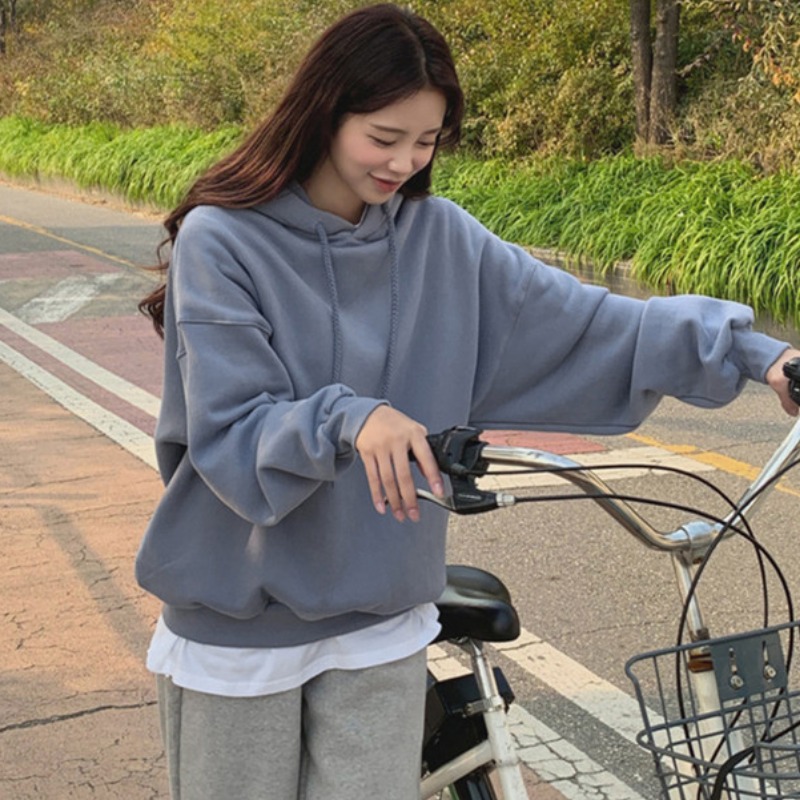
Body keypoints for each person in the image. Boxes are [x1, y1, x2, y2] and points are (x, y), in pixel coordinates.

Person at [135, 4, 800, 799]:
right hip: (238, 625)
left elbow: (594, 322)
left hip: (380, 617)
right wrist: (351, 417)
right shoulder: (224, 239)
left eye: (427, 141)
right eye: (384, 137)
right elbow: (231, 427)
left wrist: (760, 355)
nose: (405, 163)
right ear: (323, 112)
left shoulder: (441, 238)